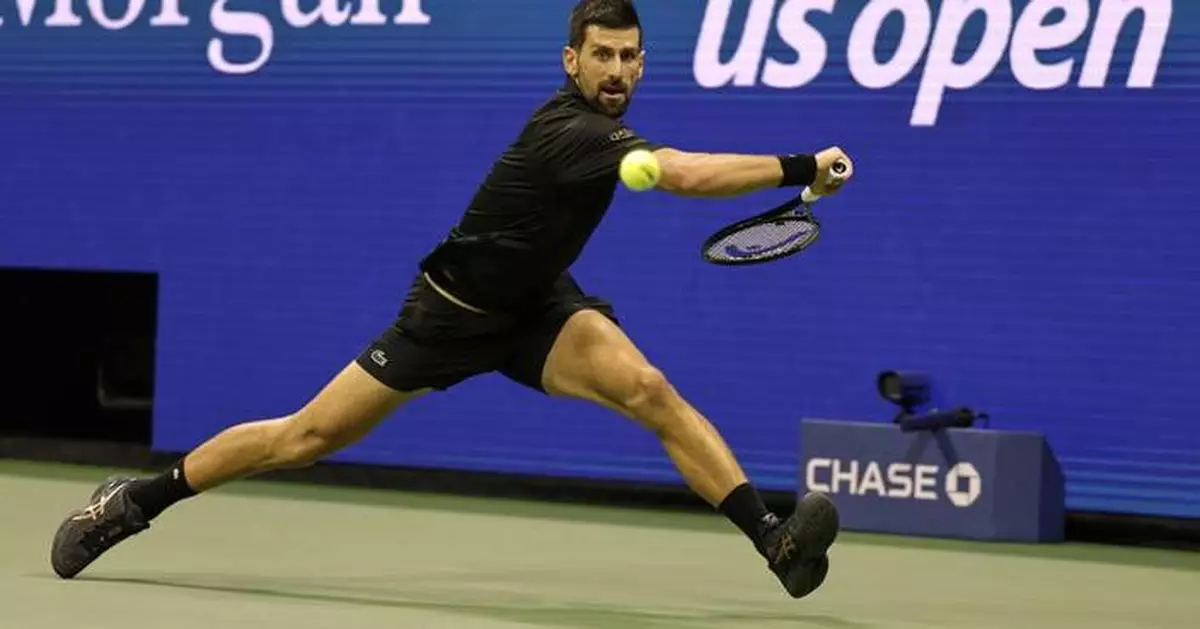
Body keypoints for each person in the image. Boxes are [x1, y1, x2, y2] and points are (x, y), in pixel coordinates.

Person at [49, 0, 853, 599]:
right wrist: (799, 165)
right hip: (448, 316)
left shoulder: (605, 123)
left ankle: (776, 543)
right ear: (571, 61)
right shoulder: (570, 129)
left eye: (629, 57)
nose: (615, 71)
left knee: (650, 390)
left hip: (537, 308)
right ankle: (131, 502)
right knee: (302, 436)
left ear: (642, 64)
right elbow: (679, 174)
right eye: (600, 55)